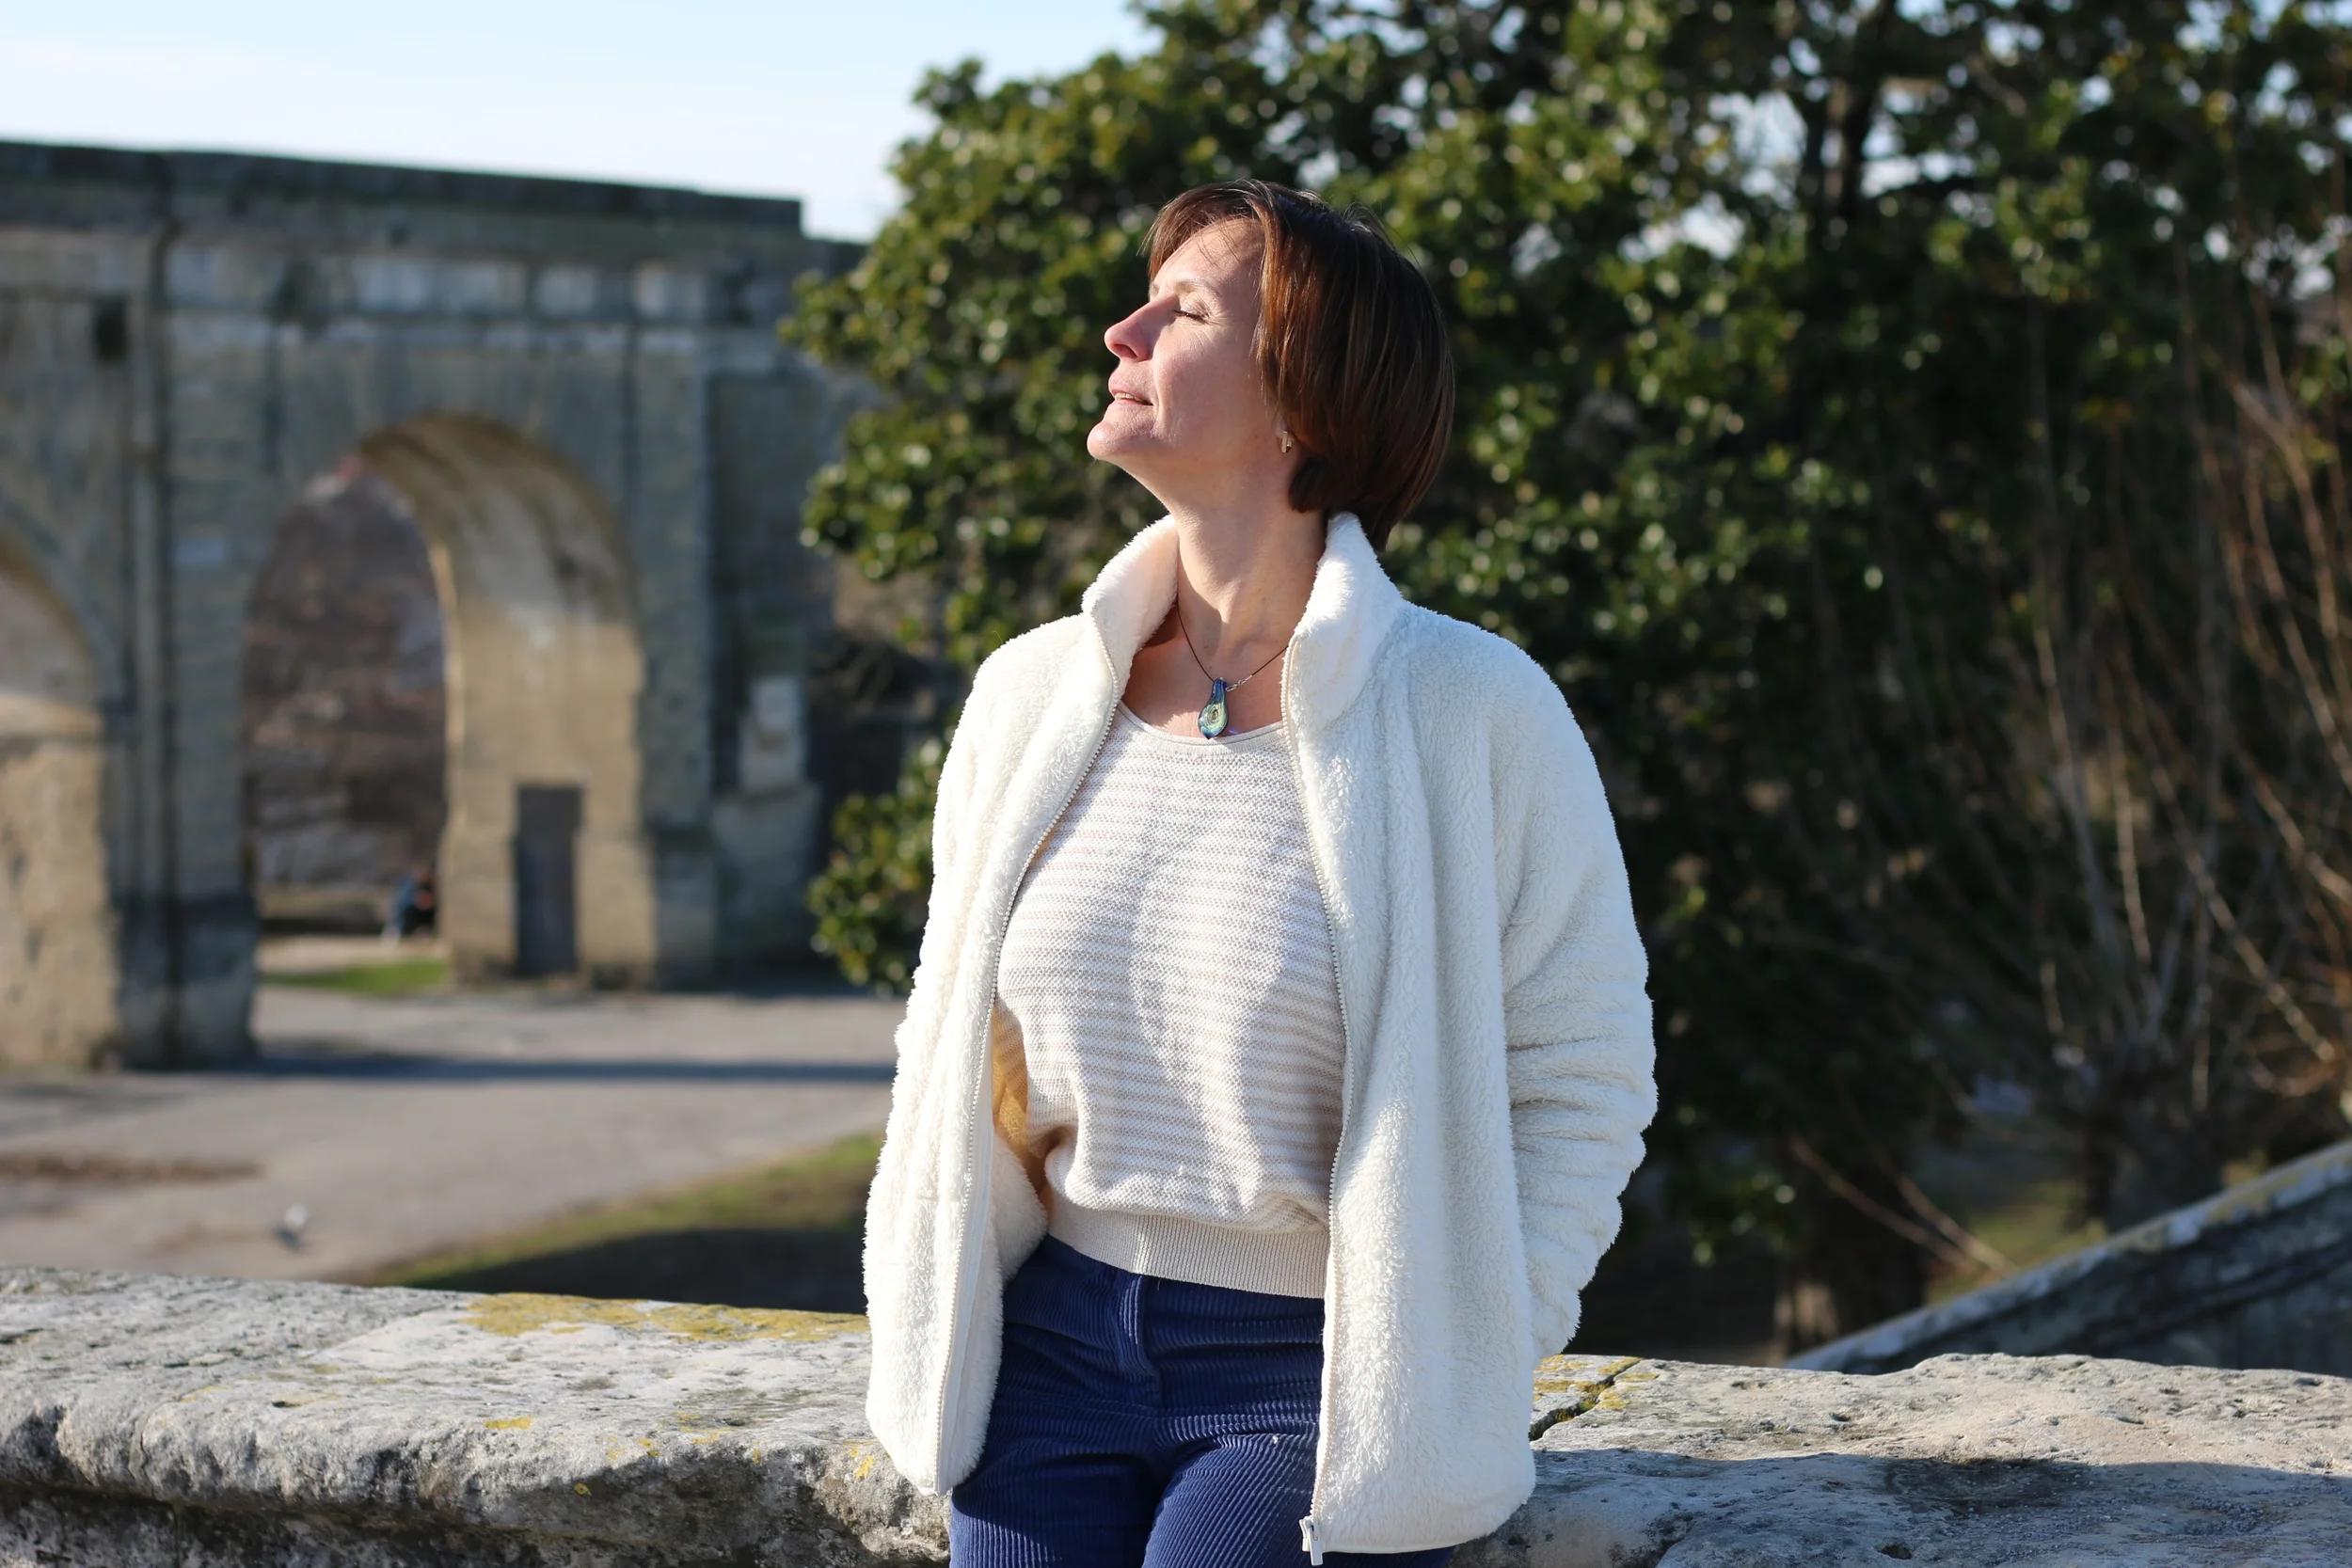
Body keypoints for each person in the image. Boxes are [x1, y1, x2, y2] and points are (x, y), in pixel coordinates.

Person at [862, 180, 1656, 1567]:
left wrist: (1463, 1347)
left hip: (1317, 1378)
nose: (1120, 334)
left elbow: (1580, 1070)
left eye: (1181, 312)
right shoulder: (1029, 694)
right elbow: (944, 1031)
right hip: (1043, 1351)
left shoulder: (1472, 709)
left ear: (1304, 398)